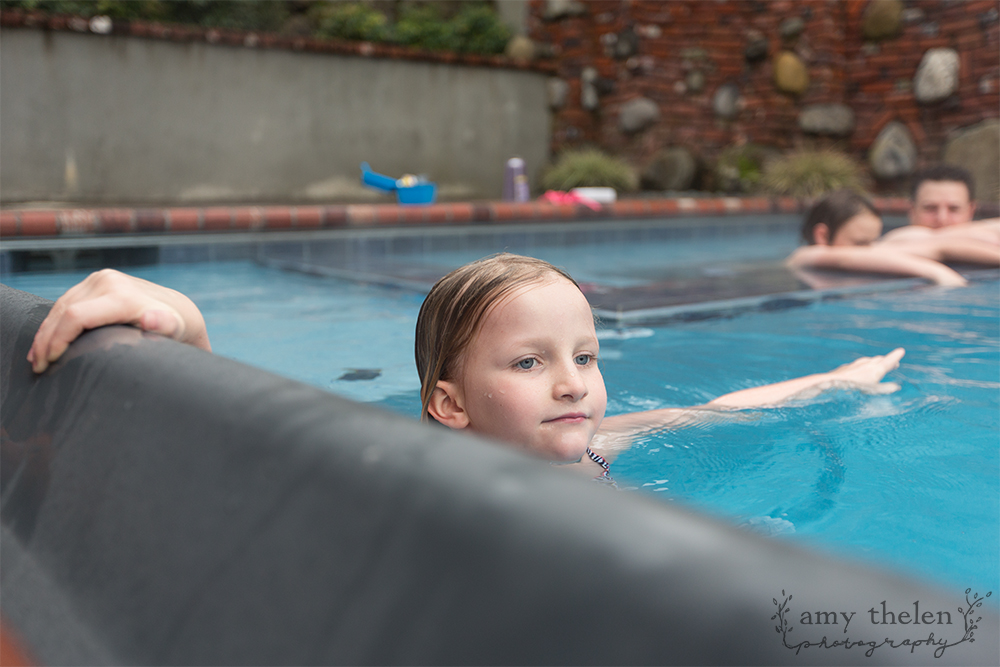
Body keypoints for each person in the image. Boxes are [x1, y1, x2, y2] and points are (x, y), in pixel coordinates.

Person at [28, 258, 906, 483]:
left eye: (586, 356)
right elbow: (257, 454)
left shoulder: (596, 445)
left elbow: (718, 409)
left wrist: (838, 380)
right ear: (448, 401)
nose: (573, 382)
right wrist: (186, 326)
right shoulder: (423, 468)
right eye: (530, 361)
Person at [786, 190, 999, 287]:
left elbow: (940, 242)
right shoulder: (804, 256)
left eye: (872, 241)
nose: (871, 248)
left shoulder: (866, 249)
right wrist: (936, 272)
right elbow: (845, 259)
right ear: (822, 235)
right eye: (861, 243)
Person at [880, 164, 1000, 245]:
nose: (942, 219)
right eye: (930, 208)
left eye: (953, 209)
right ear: (912, 210)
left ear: (971, 211)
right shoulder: (889, 248)